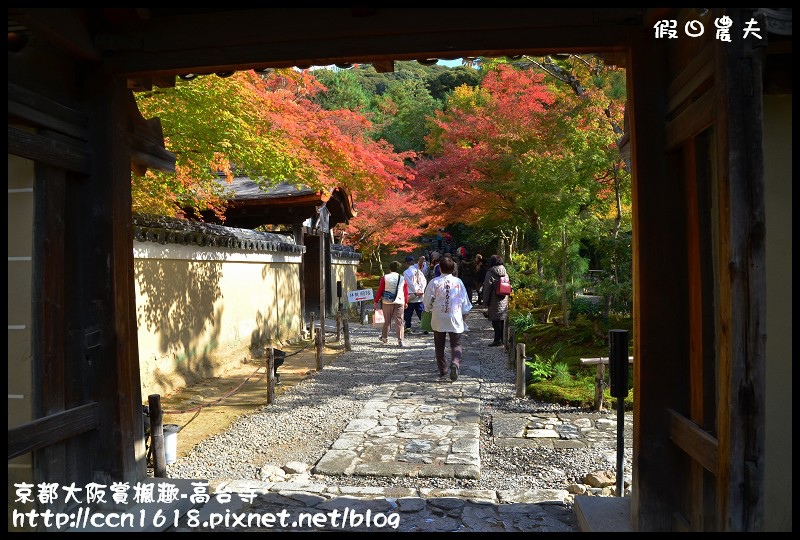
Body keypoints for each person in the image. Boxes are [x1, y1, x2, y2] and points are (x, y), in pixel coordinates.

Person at [423, 254, 472, 381]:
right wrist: (464, 312)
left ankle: (443, 369)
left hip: (438, 316)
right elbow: (465, 301)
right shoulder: (458, 282)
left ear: (440, 269)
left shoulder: (434, 282)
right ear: (453, 268)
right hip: (454, 316)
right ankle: (455, 363)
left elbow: (427, 300)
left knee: (439, 344)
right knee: (456, 344)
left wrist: (428, 309)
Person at [374, 260, 408, 347]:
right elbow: (405, 292)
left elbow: (380, 290)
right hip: (399, 300)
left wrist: (376, 301)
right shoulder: (402, 278)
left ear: (390, 268)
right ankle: (400, 340)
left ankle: (384, 337)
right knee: (399, 321)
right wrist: (406, 301)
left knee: (387, 320)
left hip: (387, 301)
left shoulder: (385, 277)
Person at [482, 255, 509, 346]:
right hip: (504, 298)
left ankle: (497, 340)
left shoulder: (490, 272)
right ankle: (502, 339)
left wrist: (485, 302)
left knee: (495, 320)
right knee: (502, 320)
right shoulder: (505, 271)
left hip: (494, 299)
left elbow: (487, 289)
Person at [402, 255, 427, 333]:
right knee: (421, 312)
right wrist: (421, 290)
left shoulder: (406, 272)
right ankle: (425, 327)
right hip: (420, 295)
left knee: (408, 312)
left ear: (406, 263)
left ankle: (408, 327)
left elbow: (409, 283)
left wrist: (415, 291)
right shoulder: (419, 271)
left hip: (411, 295)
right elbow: (424, 281)